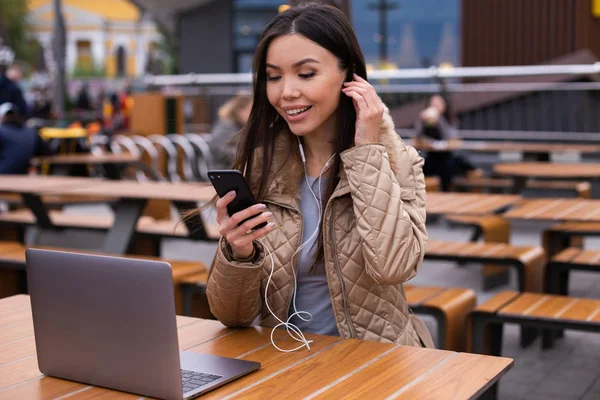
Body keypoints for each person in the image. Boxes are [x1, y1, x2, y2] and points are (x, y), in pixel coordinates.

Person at [204, 4, 432, 349]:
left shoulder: (395, 160)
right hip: (285, 361)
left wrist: (367, 152)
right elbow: (232, 316)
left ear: (349, 76)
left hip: (375, 363)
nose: (287, 92)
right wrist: (239, 253)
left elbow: (393, 267)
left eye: (306, 74)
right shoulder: (263, 167)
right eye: (274, 76)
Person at [415, 93, 480, 191]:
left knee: (449, 168)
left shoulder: (449, 120)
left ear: (444, 105)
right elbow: (418, 137)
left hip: (447, 157)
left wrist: (439, 119)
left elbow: (451, 137)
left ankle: (447, 192)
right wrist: (423, 121)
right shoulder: (425, 120)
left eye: (438, 104)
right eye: (433, 104)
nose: (435, 106)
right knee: (418, 170)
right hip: (431, 157)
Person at [0, 103, 53, 174]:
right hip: (23, 175)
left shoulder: (2, 130)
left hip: (4, 175)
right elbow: (47, 152)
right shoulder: (31, 131)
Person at [208, 93, 252, 169]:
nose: (251, 114)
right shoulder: (226, 126)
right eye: (248, 110)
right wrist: (244, 156)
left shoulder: (243, 127)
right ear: (238, 110)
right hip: (224, 171)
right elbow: (218, 149)